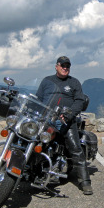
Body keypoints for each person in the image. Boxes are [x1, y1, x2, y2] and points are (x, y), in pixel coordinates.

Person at [36, 56, 93, 195]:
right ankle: (35, 172)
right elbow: (38, 98)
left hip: (66, 121)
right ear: (56, 66)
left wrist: (69, 114)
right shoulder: (47, 81)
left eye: (67, 66)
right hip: (46, 119)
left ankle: (85, 181)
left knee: (75, 148)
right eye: (62, 65)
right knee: (35, 141)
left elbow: (79, 101)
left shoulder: (74, 82)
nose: (65, 68)